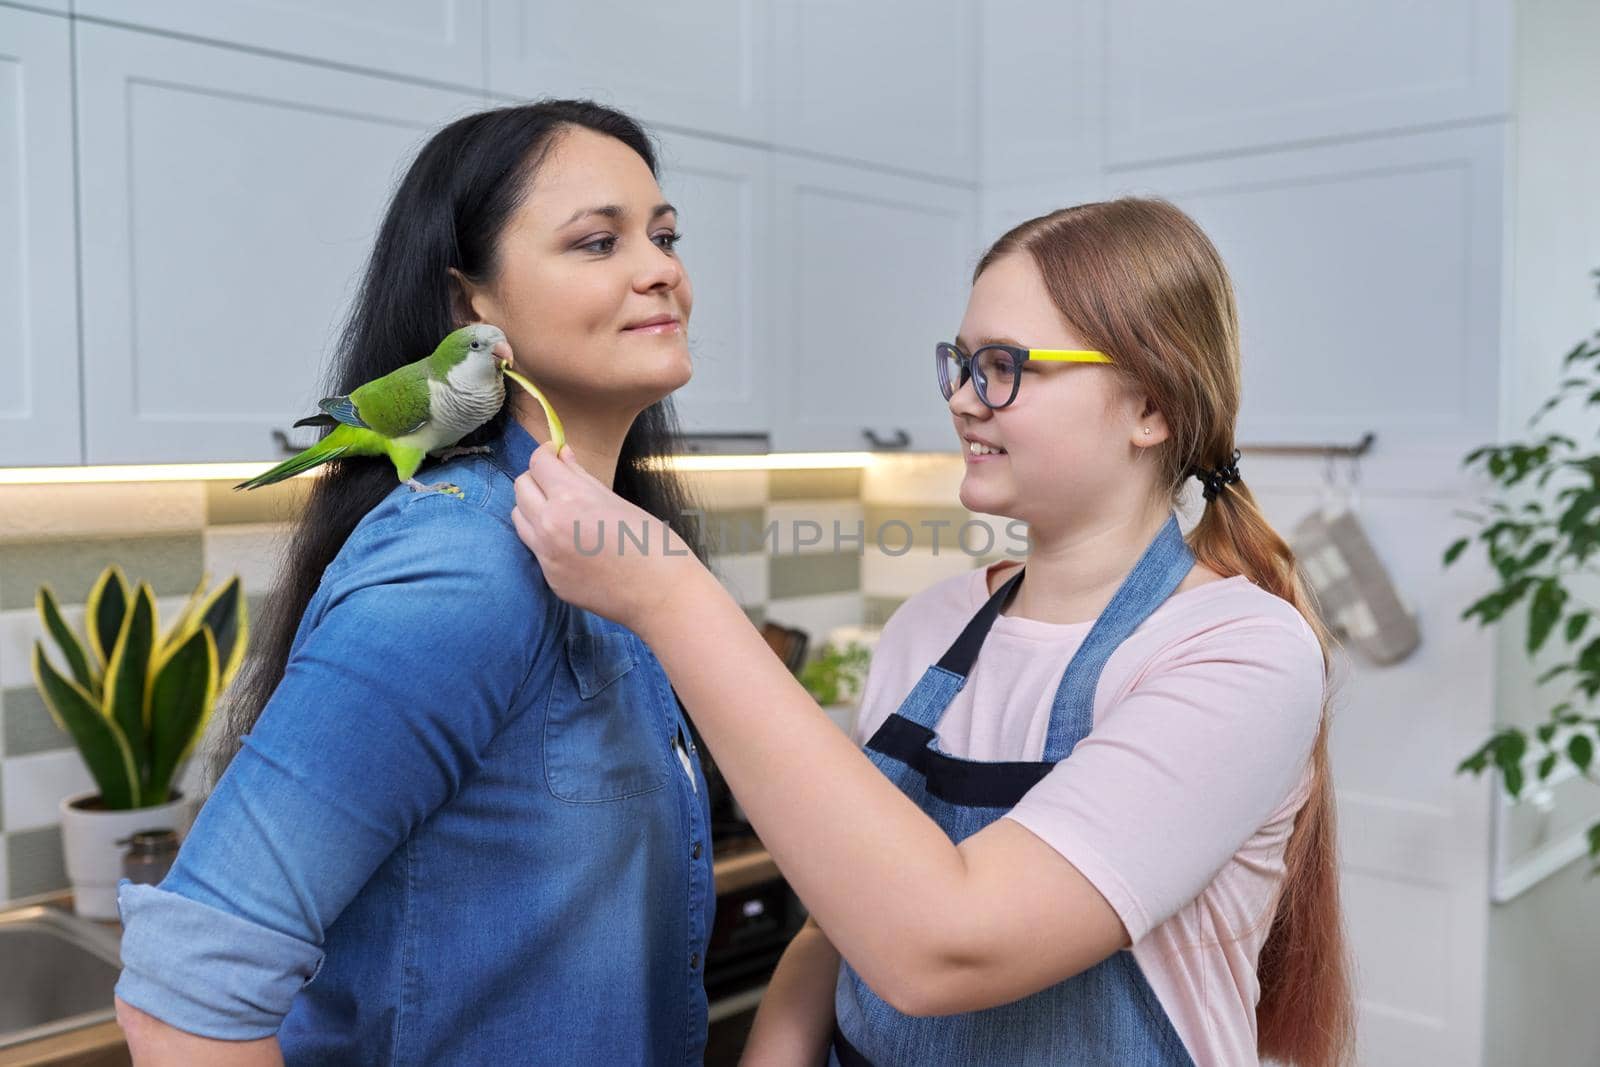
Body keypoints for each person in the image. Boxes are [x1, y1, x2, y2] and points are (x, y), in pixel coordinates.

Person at [511, 198, 1355, 1066]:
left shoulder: (1237, 652)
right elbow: (845, 919)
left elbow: (946, 946)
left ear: (1151, 404)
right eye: (960, 363)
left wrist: (668, 593)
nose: (962, 399)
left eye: (1004, 366)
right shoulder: (931, 629)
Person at [113, 99, 716, 1065]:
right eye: (599, 242)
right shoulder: (464, 563)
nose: (663, 270)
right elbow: (186, 991)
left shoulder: (620, 560)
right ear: (471, 303)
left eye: (666, 234)